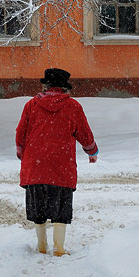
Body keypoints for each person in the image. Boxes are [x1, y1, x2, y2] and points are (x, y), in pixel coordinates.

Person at [16, 68, 98, 256]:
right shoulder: (73, 107)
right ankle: (59, 248)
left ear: (45, 85)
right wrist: (92, 151)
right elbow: (84, 133)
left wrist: (22, 153)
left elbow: (20, 133)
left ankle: (42, 246)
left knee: (38, 206)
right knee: (61, 206)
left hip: (35, 165)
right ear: (65, 87)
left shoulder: (31, 105)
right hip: (61, 165)